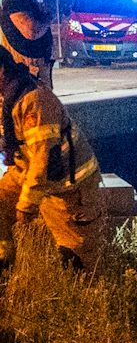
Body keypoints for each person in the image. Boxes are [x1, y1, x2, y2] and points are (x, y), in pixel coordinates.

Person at [0, 57, 102, 269]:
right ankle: (4, 264)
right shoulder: (9, 97)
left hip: (70, 184)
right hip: (31, 173)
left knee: (76, 255)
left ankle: (87, 292)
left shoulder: (34, 101)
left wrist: (27, 206)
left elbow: (42, 158)